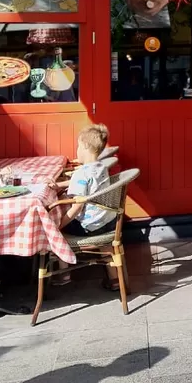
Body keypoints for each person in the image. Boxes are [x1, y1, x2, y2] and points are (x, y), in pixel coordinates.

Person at [50, 124, 119, 290]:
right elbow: (86, 182)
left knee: (57, 232)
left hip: (89, 226)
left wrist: (59, 226)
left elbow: (77, 207)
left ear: (86, 147)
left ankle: (64, 273)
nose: (77, 150)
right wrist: (61, 184)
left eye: (78, 146)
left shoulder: (81, 173)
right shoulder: (100, 167)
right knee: (106, 245)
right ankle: (115, 280)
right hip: (108, 222)